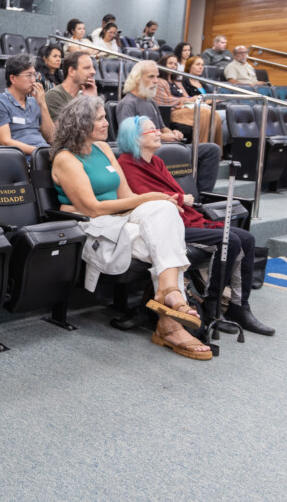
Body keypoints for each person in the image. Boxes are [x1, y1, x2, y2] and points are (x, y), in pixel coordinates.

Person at [50, 96, 211, 361]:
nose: (107, 123)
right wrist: (151, 197)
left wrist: (158, 201)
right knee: (161, 239)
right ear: (81, 124)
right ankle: (170, 319)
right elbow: (93, 208)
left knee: (165, 211)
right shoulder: (65, 159)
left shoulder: (103, 147)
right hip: (95, 224)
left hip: (122, 217)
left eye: (104, 116)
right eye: (100, 118)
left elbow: (126, 196)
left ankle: (168, 297)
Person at [116, 116, 275, 336]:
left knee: (247, 239)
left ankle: (239, 307)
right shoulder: (127, 164)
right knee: (228, 240)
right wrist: (181, 199)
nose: (159, 133)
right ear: (135, 138)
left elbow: (172, 193)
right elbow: (146, 198)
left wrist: (180, 199)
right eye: (151, 130)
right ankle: (212, 308)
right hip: (166, 226)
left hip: (184, 217)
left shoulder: (157, 161)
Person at [117, 60, 221, 195]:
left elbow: (163, 128)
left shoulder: (150, 102)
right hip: (148, 151)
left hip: (164, 145)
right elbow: (129, 136)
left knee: (212, 149)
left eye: (157, 76)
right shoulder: (128, 103)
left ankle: (203, 195)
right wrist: (163, 137)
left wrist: (174, 134)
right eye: (151, 77)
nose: (156, 81)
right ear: (137, 79)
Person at [0, 53, 53, 155]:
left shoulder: (34, 102)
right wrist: (38, 152)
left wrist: (43, 104)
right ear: (13, 78)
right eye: (29, 75)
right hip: (21, 157)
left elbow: (51, 137)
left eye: (34, 75)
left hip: (43, 152)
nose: (33, 80)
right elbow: (5, 141)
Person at [155, 54, 222, 146]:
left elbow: (188, 98)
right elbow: (164, 100)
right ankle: (200, 147)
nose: (173, 66)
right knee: (204, 112)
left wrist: (190, 99)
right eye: (170, 63)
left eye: (175, 64)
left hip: (185, 109)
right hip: (173, 111)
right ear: (163, 65)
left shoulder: (177, 82)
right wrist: (185, 100)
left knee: (215, 113)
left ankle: (215, 147)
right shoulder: (159, 81)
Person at [44, 51, 98, 121]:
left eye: (93, 68)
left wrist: (91, 99)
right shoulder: (53, 96)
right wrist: (87, 102)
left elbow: (99, 123)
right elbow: (66, 126)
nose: (93, 72)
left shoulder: (84, 95)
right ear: (72, 71)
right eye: (87, 68)